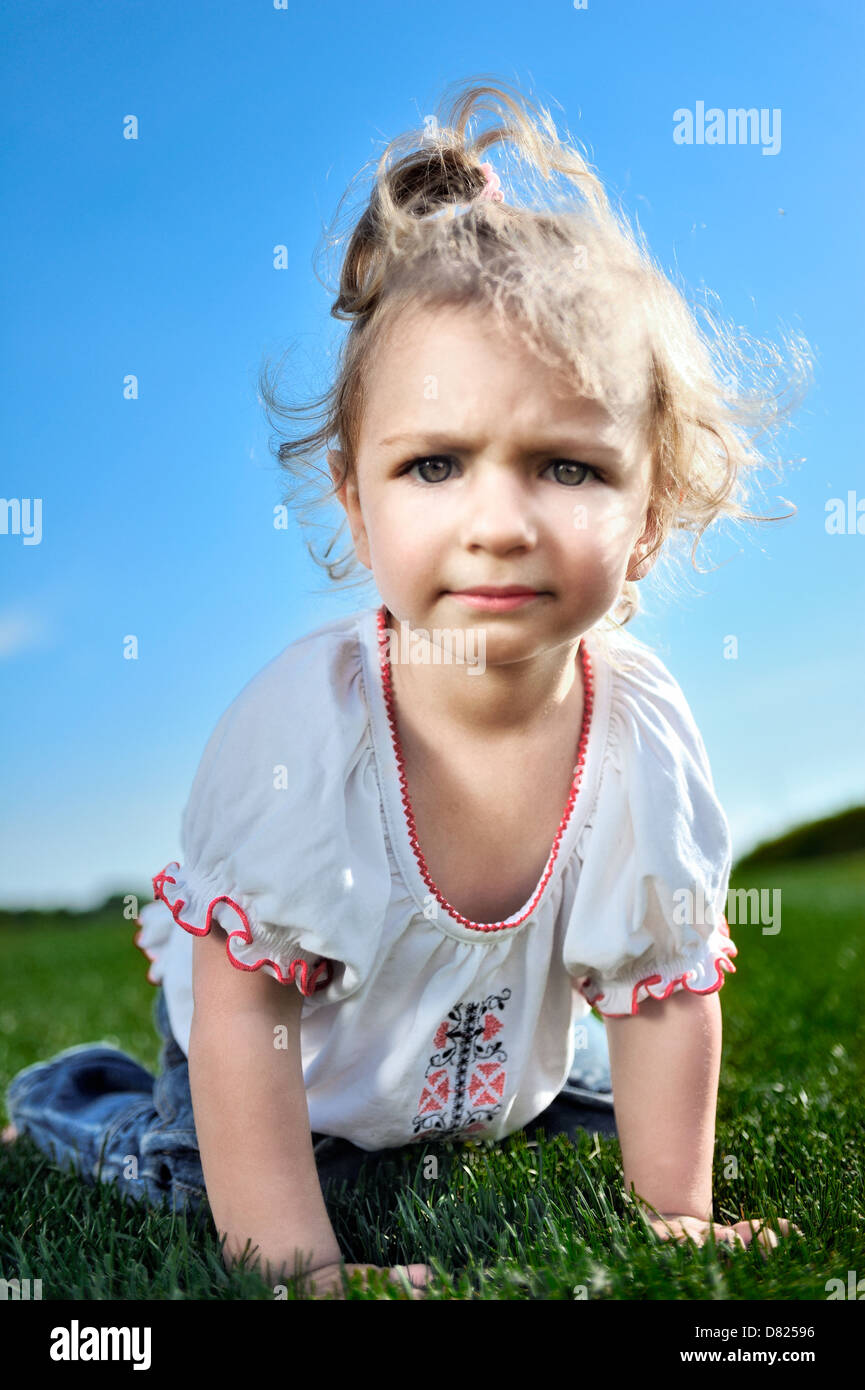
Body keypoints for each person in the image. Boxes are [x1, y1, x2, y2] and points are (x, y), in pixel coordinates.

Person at [4, 76, 808, 1299]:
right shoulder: (311, 732)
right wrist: (304, 1268)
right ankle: (69, 1096)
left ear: (650, 513)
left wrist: (674, 1212)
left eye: (565, 466)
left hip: (479, 1085)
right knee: (190, 1169)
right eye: (434, 463)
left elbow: (655, 1002)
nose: (498, 521)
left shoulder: (639, 731)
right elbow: (246, 1016)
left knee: (594, 1127)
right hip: (284, 1068)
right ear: (353, 501)